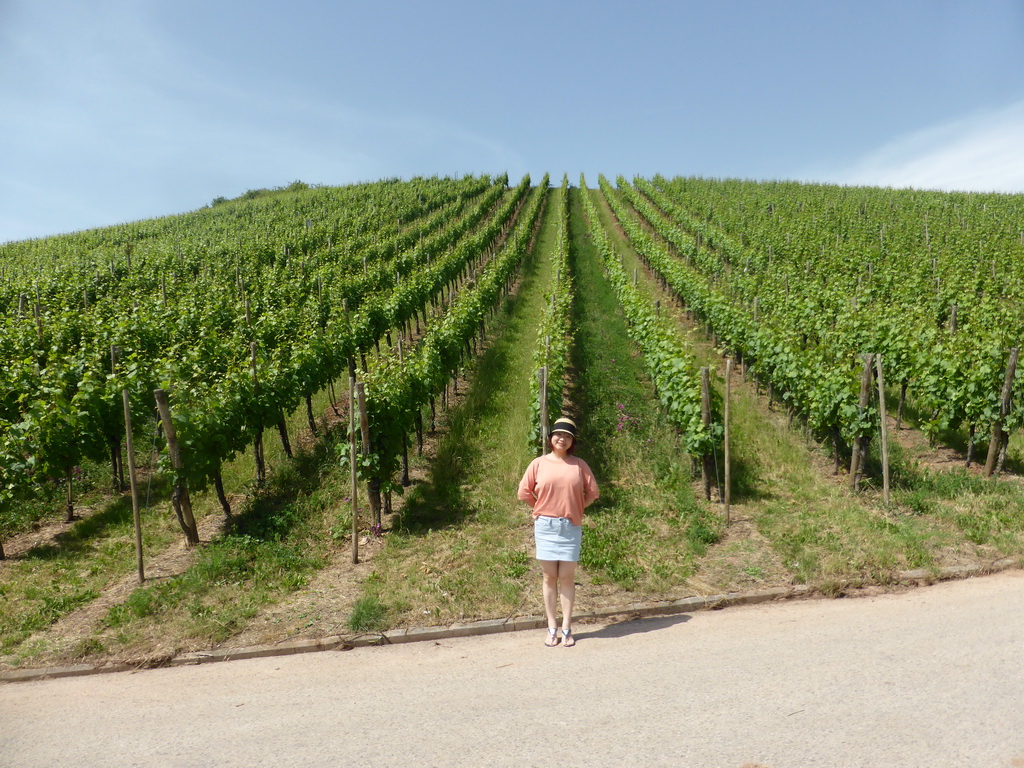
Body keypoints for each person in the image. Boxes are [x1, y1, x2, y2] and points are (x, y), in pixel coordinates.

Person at [517, 416, 599, 647]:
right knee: (548, 577)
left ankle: (567, 628)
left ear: (572, 441)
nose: (562, 439)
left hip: (570, 527)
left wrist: (575, 509)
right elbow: (524, 493)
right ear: (550, 438)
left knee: (567, 577)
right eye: (558, 434)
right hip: (545, 527)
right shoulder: (538, 463)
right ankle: (552, 627)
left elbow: (592, 493)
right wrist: (542, 510)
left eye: (567, 436)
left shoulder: (579, 465)